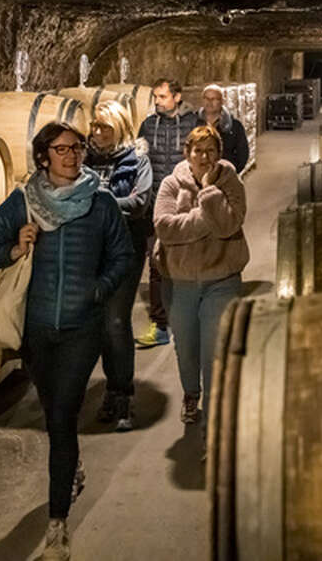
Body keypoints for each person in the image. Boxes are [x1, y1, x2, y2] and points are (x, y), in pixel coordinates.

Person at [0, 122, 132, 561]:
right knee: (53, 411)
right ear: (43, 156)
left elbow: (123, 255)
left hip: (82, 330)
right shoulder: (24, 202)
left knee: (62, 415)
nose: (72, 155)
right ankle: (70, 465)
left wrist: (99, 289)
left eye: (77, 147)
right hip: (37, 331)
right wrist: (13, 248)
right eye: (62, 149)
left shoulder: (100, 203)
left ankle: (57, 525)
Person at [153, 124, 249, 447]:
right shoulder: (170, 184)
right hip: (180, 282)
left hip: (221, 279)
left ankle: (213, 426)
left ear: (219, 155)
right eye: (198, 151)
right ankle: (191, 393)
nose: (204, 157)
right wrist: (207, 220)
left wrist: (208, 191)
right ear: (187, 153)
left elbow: (229, 225)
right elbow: (165, 228)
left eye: (210, 151)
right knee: (187, 351)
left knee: (214, 352)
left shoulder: (231, 182)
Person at [84, 100, 152, 430]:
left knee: (115, 321)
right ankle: (112, 390)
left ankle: (123, 392)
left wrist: (99, 200)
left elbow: (139, 203)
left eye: (104, 127)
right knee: (99, 323)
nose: (96, 133)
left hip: (125, 249)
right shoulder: (83, 158)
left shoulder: (137, 159)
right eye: (94, 126)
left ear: (120, 128)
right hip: (91, 250)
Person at [135, 78, 197, 348]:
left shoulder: (195, 123)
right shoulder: (148, 125)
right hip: (155, 205)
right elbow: (140, 160)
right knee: (157, 265)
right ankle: (160, 325)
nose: (157, 101)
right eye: (155, 97)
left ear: (177, 96)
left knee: (188, 262)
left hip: (186, 205)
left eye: (162, 96)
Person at [196, 83, 249, 173]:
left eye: (214, 99)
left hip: (224, 178)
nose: (209, 102)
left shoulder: (234, 126)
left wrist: (229, 173)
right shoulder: (193, 123)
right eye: (206, 98)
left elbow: (242, 155)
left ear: (222, 101)